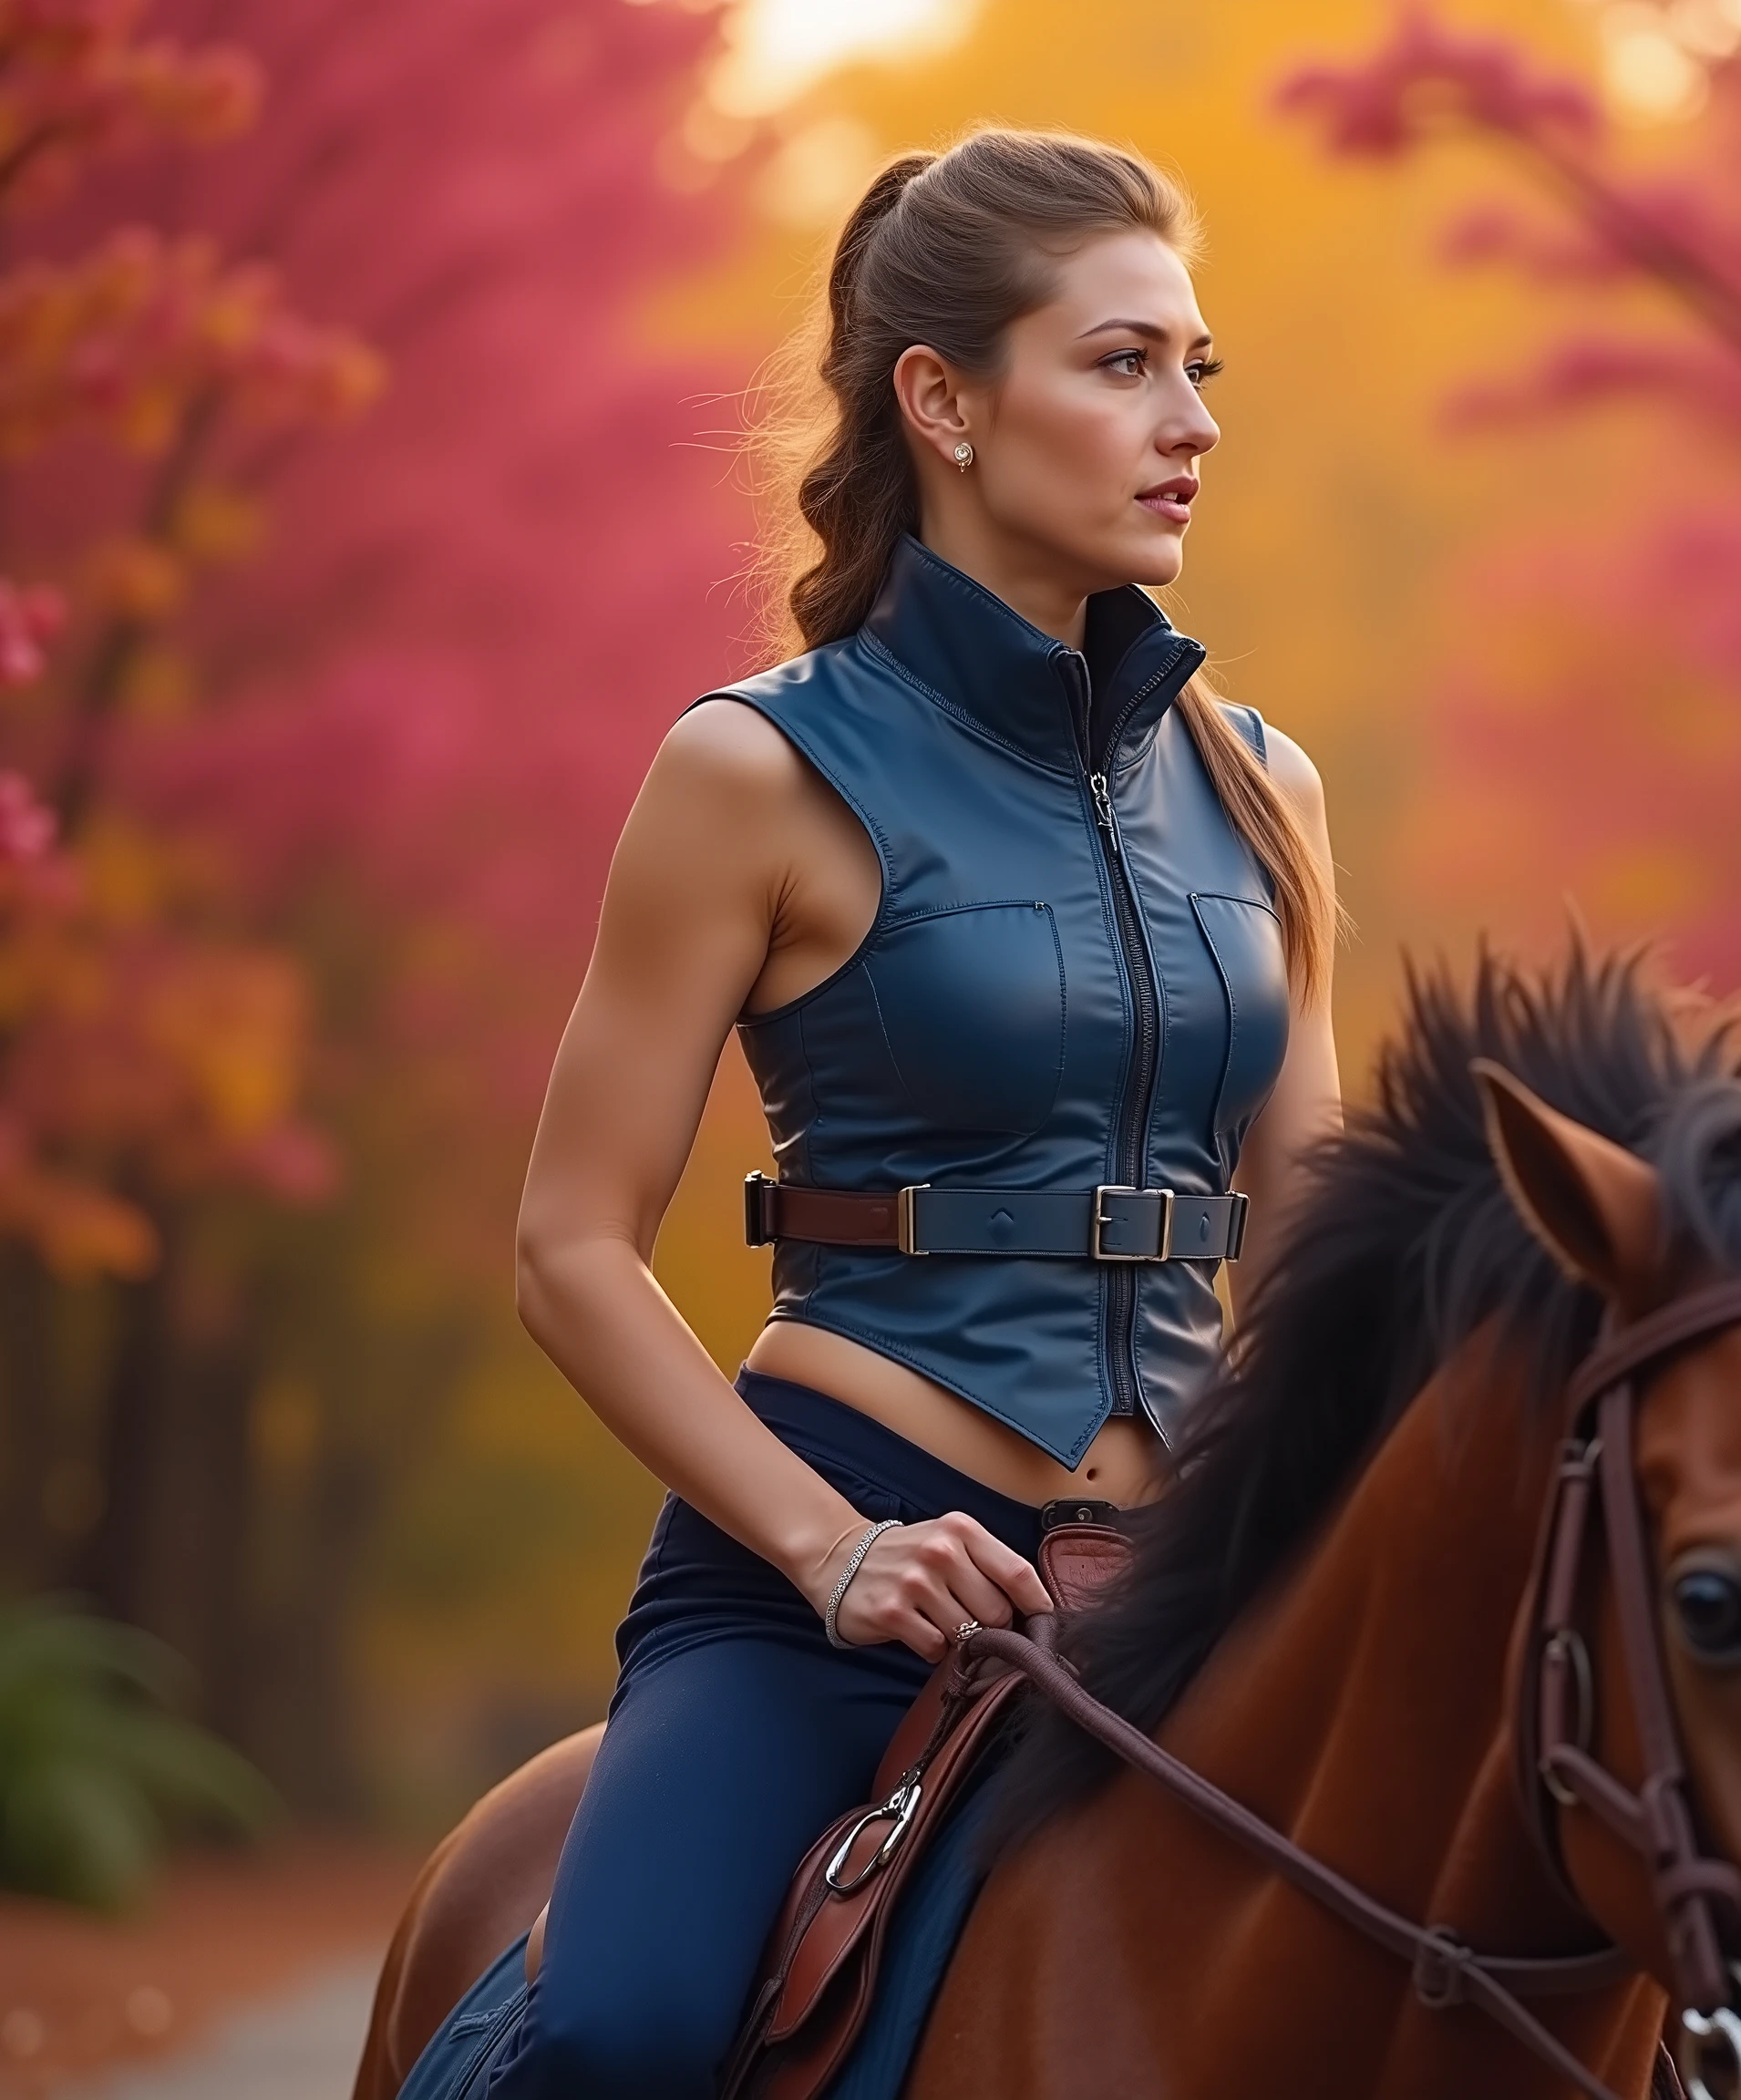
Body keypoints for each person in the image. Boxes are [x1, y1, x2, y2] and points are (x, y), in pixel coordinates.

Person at [441, 129, 1343, 2096]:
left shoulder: (1271, 788)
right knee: (617, 2034)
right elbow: (569, 1250)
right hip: (812, 1596)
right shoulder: (752, 769)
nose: (1186, 422)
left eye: (1200, 369)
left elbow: (1330, 1248)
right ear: (940, 399)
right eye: (1120, 365)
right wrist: (833, 1548)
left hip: (1189, 1594)